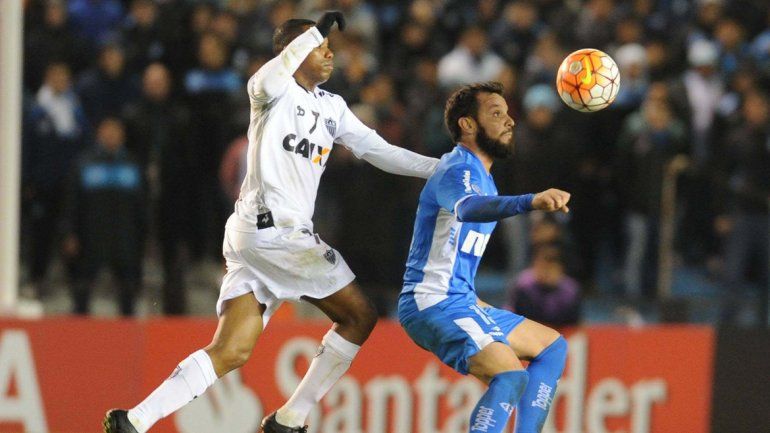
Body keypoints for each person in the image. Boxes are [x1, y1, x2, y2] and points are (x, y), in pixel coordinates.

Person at [103, 11, 439, 433]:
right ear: (294, 53)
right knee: (359, 316)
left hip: (254, 237)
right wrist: (313, 29)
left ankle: (133, 419)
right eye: (320, 46)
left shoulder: (332, 107)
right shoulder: (269, 91)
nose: (330, 53)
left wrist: (439, 168)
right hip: (276, 231)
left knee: (231, 350)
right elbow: (275, 70)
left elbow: (379, 150)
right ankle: (290, 418)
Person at [398, 82, 569, 433]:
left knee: (552, 347)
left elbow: (453, 254)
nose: (509, 121)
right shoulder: (456, 169)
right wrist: (529, 201)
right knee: (509, 376)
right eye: (496, 113)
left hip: (458, 299)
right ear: (468, 124)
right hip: (432, 302)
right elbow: (468, 209)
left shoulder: (484, 178)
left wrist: (473, 299)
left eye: (507, 113)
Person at [60, 117, 145, 315]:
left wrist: (142, 235)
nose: (111, 135)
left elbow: (141, 205)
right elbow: (72, 202)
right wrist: (69, 233)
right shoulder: (84, 164)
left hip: (124, 238)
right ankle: (80, 334)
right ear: (99, 134)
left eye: (115, 131)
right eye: (107, 131)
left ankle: (127, 338)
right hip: (90, 238)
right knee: (82, 288)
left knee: (127, 290)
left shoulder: (132, 165)